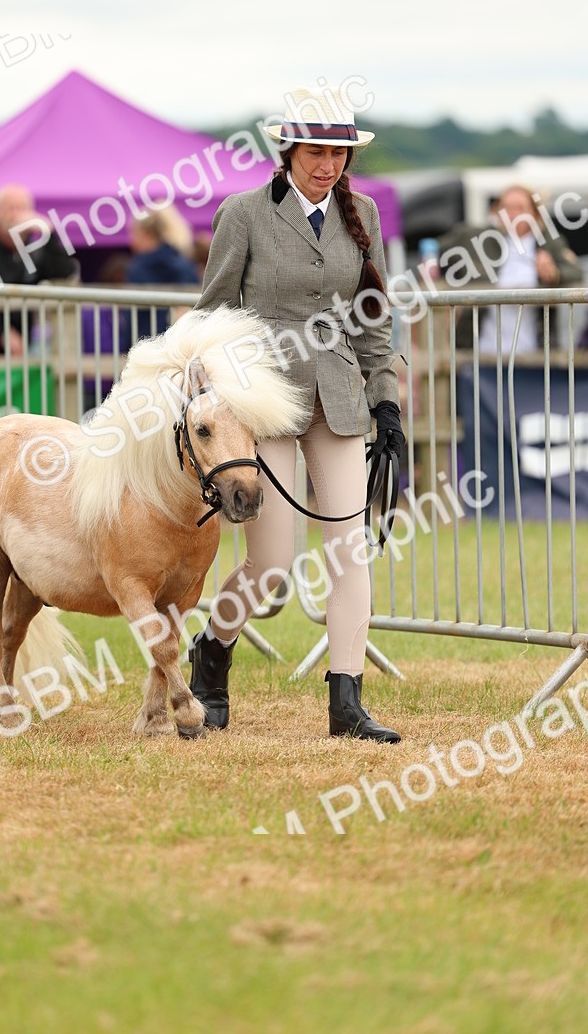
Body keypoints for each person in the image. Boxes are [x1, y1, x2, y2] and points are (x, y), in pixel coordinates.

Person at [188, 87, 405, 743]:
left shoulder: (361, 211)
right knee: (273, 562)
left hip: (337, 398)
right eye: (316, 152)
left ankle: (347, 703)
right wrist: (220, 392)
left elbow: (374, 316)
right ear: (288, 151)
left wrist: (386, 397)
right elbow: (216, 311)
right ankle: (213, 651)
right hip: (267, 401)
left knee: (348, 552)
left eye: (338, 153)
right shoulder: (244, 214)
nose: (328, 165)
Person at [439, 186, 582, 351]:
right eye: (506, 208)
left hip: (535, 349)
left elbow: (575, 270)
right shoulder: (481, 240)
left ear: (534, 214)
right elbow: (439, 248)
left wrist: (553, 273)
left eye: (520, 208)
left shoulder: (549, 243)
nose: (512, 214)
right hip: (483, 348)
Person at [0, 184, 78, 354]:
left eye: (21, 209)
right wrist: (2, 332)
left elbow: (64, 273)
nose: (15, 215)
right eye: (9, 208)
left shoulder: (36, 251)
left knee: (47, 332)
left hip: (26, 340)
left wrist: (49, 233)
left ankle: (49, 380)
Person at [126, 207, 200, 338]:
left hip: (147, 342)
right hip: (181, 342)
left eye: (134, 234)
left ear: (147, 233)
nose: (131, 240)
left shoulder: (138, 267)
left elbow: (133, 316)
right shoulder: (184, 263)